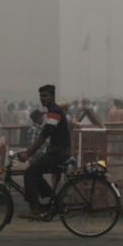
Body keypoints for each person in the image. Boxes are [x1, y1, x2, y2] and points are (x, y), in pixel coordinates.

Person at [16, 84, 72, 220]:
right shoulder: (52, 111)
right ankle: (53, 202)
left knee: (29, 173)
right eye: (41, 96)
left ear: (52, 96)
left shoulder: (55, 111)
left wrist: (28, 153)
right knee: (35, 173)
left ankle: (34, 210)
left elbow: (43, 135)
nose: (42, 98)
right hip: (57, 151)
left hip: (58, 153)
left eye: (45, 95)